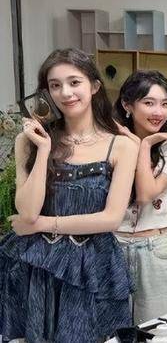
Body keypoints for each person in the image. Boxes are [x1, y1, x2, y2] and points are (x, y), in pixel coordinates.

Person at [0, 48, 138, 342]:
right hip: (38, 264)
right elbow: (27, 212)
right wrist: (44, 150)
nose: (65, 93)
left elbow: (111, 219)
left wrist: (42, 224)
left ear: (94, 86)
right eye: (55, 85)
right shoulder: (29, 141)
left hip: (92, 266)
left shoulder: (121, 146)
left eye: (74, 82)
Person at [113, 70, 167, 324]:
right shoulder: (111, 142)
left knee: (160, 331)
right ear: (127, 105)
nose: (158, 112)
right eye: (149, 103)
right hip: (113, 245)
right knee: (113, 332)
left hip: (156, 250)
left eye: (164, 104)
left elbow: (146, 193)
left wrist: (143, 146)